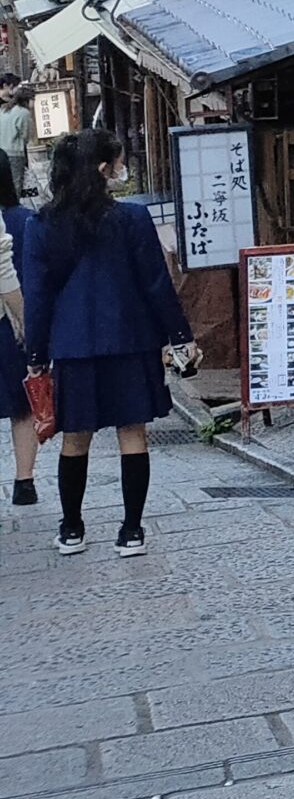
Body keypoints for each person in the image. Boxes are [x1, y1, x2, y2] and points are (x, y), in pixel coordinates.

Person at [25, 130, 190, 556]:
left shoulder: (41, 225)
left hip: (73, 345)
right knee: (132, 433)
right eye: (117, 164)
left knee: (74, 437)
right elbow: (156, 284)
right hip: (130, 339)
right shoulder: (132, 219)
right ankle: (131, 530)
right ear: (102, 169)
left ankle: (72, 528)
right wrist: (179, 336)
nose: (121, 171)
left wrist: (37, 356)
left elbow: (38, 297)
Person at [0, 166, 30, 506]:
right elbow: (10, 273)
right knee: (21, 407)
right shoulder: (22, 220)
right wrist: (26, 321)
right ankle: (25, 480)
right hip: (5, 323)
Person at [0, 87, 31, 196]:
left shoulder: (4, 109)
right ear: (27, 100)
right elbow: (25, 136)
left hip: (1, 150)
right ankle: (12, 210)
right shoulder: (24, 113)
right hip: (15, 153)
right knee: (15, 184)